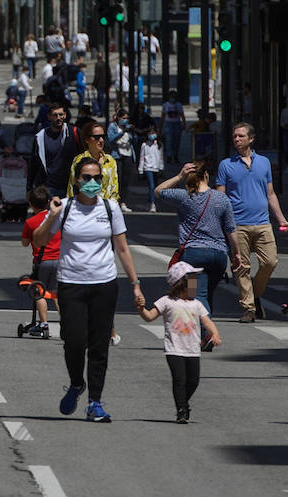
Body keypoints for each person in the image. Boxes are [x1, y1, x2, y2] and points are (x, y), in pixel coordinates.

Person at [31, 158, 145, 423]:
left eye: (97, 178)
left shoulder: (110, 207)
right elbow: (39, 239)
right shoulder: (65, 208)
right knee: (73, 341)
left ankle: (95, 401)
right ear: (76, 180)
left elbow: (123, 248)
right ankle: (76, 383)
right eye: (86, 177)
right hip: (71, 283)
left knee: (98, 345)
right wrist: (53, 217)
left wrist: (135, 284)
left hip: (104, 284)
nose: (92, 183)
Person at [216, 123, 288, 323]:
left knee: (270, 262)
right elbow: (220, 197)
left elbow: (270, 194)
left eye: (241, 136)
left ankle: (255, 295)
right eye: (234, 136)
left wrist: (281, 219)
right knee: (242, 267)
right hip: (237, 225)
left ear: (251, 139)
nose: (236, 139)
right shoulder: (226, 165)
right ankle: (248, 308)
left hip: (262, 223)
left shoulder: (264, 163)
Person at [137, 262, 222, 424]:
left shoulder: (196, 304)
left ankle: (183, 402)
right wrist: (141, 308)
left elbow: (206, 320)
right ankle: (181, 411)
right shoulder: (166, 301)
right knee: (179, 380)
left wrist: (214, 333)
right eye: (192, 281)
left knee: (193, 381)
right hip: (174, 349)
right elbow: (149, 316)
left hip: (192, 350)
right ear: (181, 283)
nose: (195, 285)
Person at [157, 160, 241, 318]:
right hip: (219, 257)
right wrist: (237, 254)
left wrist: (178, 176)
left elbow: (158, 191)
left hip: (194, 257)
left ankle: (206, 333)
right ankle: (205, 334)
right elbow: (231, 229)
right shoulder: (222, 199)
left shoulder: (184, 196)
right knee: (207, 293)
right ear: (207, 176)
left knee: (197, 294)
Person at [21, 185, 62, 335]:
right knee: (57, 293)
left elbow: (25, 243)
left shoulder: (31, 222)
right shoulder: (57, 219)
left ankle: (43, 323)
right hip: (59, 260)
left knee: (39, 291)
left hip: (42, 261)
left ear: (31, 204)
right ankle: (66, 321)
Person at [31, 99, 80, 197]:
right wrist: (29, 188)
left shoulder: (74, 133)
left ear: (65, 115)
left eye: (61, 115)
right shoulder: (40, 137)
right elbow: (33, 164)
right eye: (55, 115)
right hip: (50, 187)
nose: (58, 118)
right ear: (49, 117)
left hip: (70, 186)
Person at [66, 122, 119, 204]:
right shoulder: (79, 160)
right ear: (86, 139)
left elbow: (114, 188)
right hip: (84, 210)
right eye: (97, 137)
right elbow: (72, 188)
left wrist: (111, 207)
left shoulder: (110, 160)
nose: (101, 140)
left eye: (103, 136)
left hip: (105, 209)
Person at [138, 130, 165, 213]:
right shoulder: (144, 145)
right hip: (148, 167)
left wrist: (161, 167)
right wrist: (140, 169)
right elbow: (142, 157)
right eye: (150, 134)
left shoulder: (159, 145)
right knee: (152, 186)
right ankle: (153, 204)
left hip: (156, 167)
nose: (152, 135)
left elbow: (161, 157)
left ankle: (149, 201)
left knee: (155, 187)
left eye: (153, 133)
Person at [162, 90, 185, 165]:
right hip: (168, 123)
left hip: (176, 124)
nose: (173, 98)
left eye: (174, 97)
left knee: (176, 141)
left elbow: (182, 115)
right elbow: (163, 115)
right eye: (172, 97)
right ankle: (169, 156)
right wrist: (161, 126)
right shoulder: (166, 105)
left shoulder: (179, 105)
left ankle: (175, 155)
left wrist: (183, 124)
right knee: (169, 140)